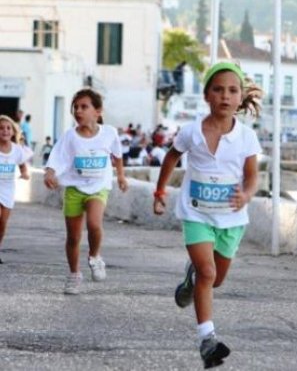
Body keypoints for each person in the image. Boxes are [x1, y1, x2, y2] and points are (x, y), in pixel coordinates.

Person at [153, 62, 262, 368]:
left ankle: (190, 281)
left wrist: (247, 194)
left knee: (216, 280)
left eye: (232, 90)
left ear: (240, 97)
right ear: (206, 95)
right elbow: (172, 157)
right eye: (218, 90)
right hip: (196, 215)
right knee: (208, 272)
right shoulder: (191, 132)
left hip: (231, 220)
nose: (225, 96)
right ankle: (207, 340)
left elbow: (253, 177)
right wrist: (160, 192)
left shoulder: (246, 138)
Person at [44, 89, 128, 295]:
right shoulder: (70, 136)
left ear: (97, 111)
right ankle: (74, 275)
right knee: (73, 237)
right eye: (76, 108)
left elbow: (117, 155)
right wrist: (49, 172)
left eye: (84, 107)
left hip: (98, 187)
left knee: (94, 224)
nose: (78, 111)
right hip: (74, 188)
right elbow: (57, 156)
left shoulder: (109, 133)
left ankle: (95, 256)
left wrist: (121, 176)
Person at [0, 115, 31, 264]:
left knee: (2, 223)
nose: (4, 131)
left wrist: (25, 173)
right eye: (1, 128)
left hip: (8, 189)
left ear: (13, 131)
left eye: (8, 128)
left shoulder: (17, 150)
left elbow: (22, 165)